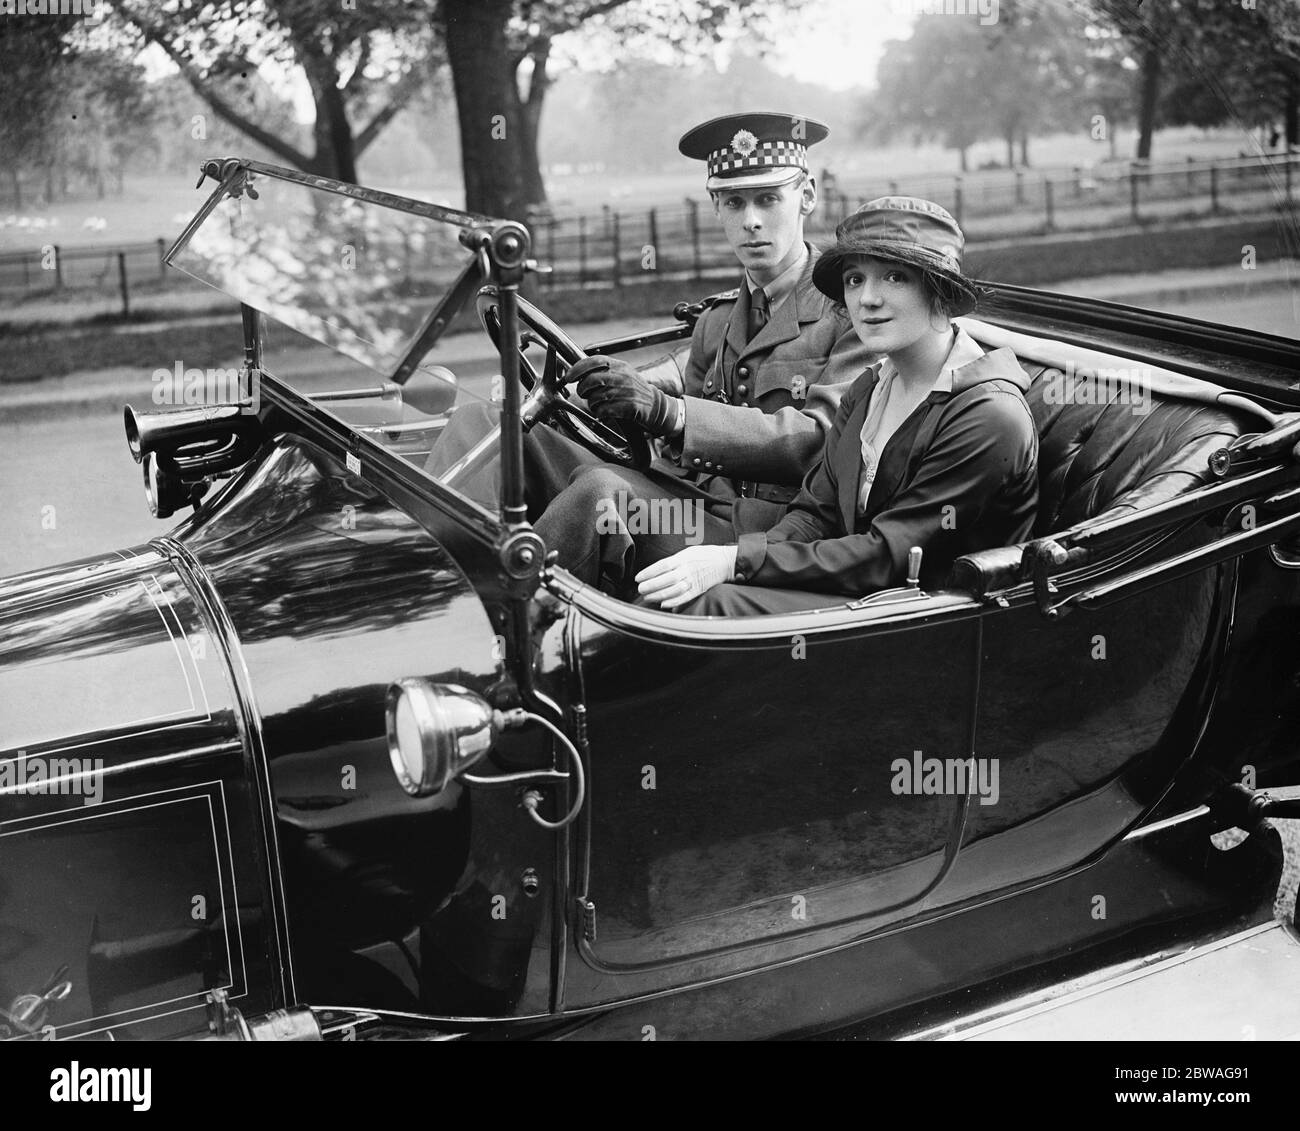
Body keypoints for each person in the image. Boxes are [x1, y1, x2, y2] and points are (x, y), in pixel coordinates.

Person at [635, 196, 1039, 616]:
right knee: (667, 591)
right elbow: (814, 515)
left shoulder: (988, 414)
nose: (867, 299)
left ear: (941, 291)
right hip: (861, 594)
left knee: (708, 605)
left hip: (936, 618)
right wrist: (733, 557)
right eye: (854, 280)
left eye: (895, 278)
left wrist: (735, 562)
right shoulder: (869, 388)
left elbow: (888, 555)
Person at [529, 112, 874, 589]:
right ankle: (449, 569)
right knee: (515, 435)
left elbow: (819, 443)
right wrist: (610, 401)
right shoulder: (717, 320)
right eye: (734, 202)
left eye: (768, 199)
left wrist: (669, 414)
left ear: (807, 197)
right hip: (693, 505)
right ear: (716, 208)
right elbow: (680, 451)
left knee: (599, 494)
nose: (751, 221)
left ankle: (509, 628)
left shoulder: (854, 315)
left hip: (768, 536)